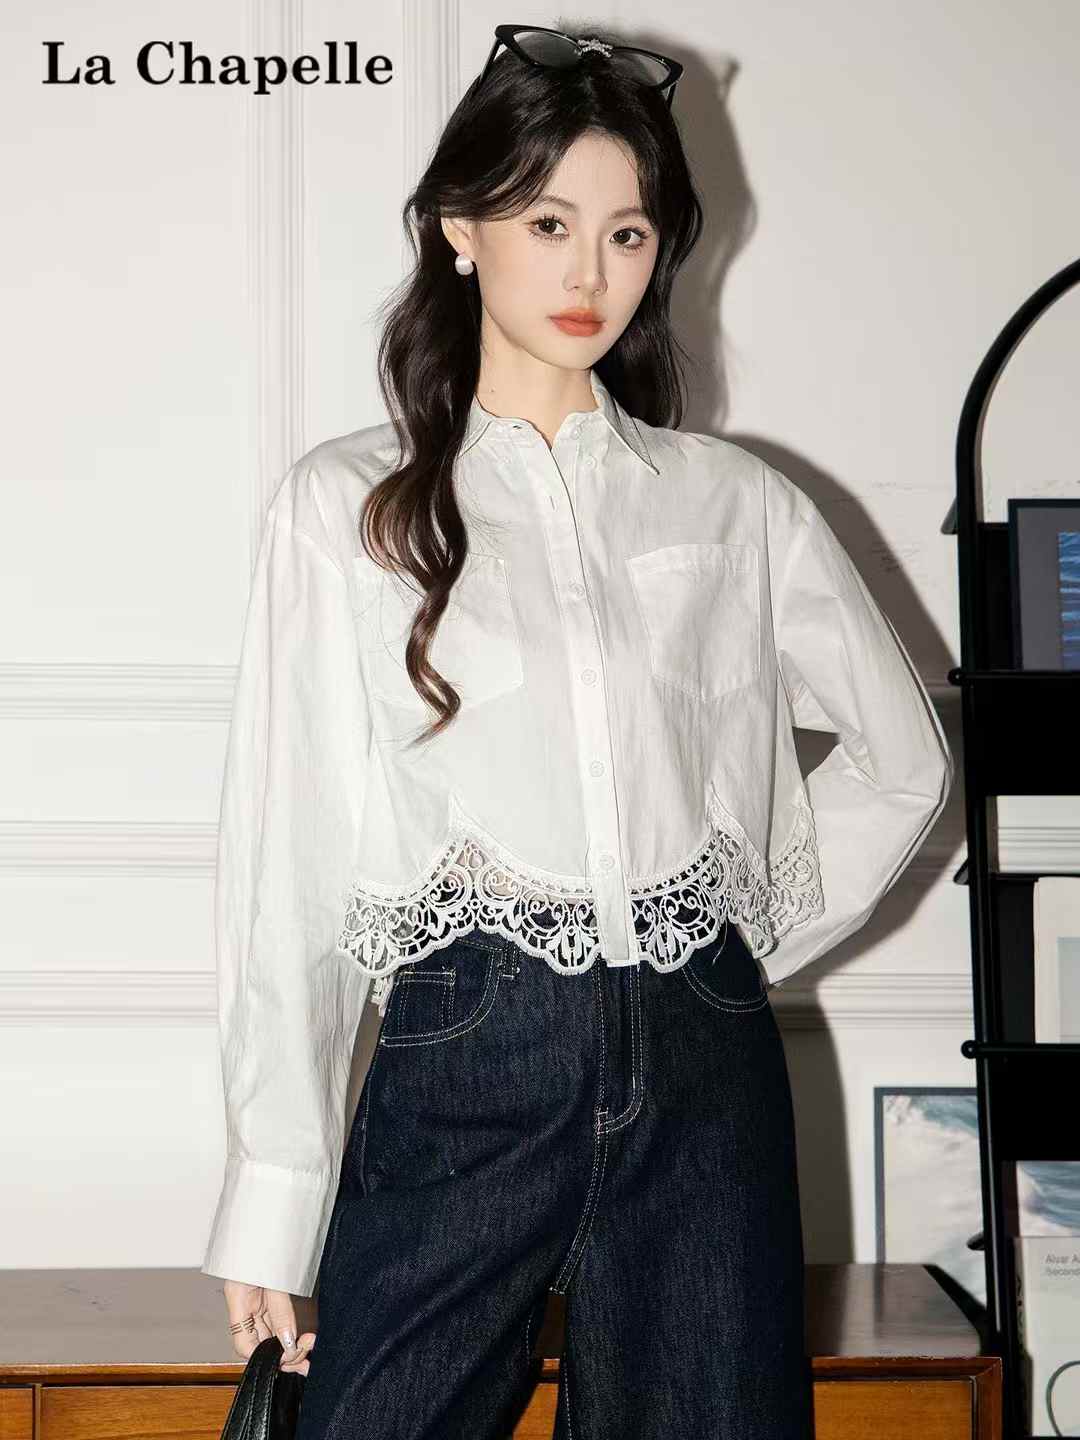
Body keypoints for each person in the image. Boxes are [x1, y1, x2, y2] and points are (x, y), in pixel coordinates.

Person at [200, 22, 953, 1439]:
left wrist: (723, 942)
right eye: (549, 223)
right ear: (460, 227)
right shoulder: (346, 507)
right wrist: (274, 1196)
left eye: (627, 233)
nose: (589, 274)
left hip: (705, 1073)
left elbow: (904, 761)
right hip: (466, 1049)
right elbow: (285, 863)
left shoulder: (732, 501)